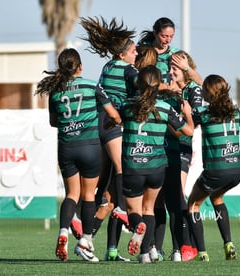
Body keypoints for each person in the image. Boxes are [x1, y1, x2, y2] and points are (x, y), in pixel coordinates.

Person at [35, 48, 121, 262]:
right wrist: (111, 122)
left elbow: (53, 122)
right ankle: (85, 240)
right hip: (89, 147)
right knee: (89, 195)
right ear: (80, 66)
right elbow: (114, 116)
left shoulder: (55, 91)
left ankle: (63, 231)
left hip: (66, 148)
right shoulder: (93, 85)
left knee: (71, 194)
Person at [119, 65, 194, 264]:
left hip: (133, 165)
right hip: (157, 167)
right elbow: (188, 131)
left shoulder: (127, 105)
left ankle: (138, 232)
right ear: (157, 85)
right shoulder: (164, 107)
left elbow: (113, 121)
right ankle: (144, 254)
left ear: (139, 83)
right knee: (149, 209)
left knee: (133, 211)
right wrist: (187, 113)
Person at [78, 16, 138, 261]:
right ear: (123, 54)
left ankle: (89, 240)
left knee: (107, 193)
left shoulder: (108, 66)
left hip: (97, 122)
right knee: (122, 169)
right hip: (112, 122)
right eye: (134, 51)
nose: (136, 54)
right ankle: (124, 210)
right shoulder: (129, 69)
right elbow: (143, 88)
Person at [187, 74, 240, 262]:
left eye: (204, 88)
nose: (202, 91)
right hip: (237, 170)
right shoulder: (235, 112)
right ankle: (228, 243)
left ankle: (202, 253)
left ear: (209, 93)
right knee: (217, 197)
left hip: (217, 171)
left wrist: (187, 111)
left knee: (193, 205)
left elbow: (188, 128)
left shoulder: (203, 113)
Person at [159, 50, 203, 262]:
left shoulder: (193, 89)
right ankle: (182, 247)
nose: (170, 72)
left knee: (177, 198)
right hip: (167, 148)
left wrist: (183, 116)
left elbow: (196, 118)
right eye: (169, 68)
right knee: (171, 199)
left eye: (174, 68)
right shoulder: (175, 91)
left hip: (183, 147)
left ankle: (187, 247)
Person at [138, 17, 203, 86]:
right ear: (155, 33)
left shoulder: (177, 54)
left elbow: (200, 82)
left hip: (170, 95)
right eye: (164, 36)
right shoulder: (142, 51)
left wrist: (186, 67)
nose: (168, 40)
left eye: (171, 36)